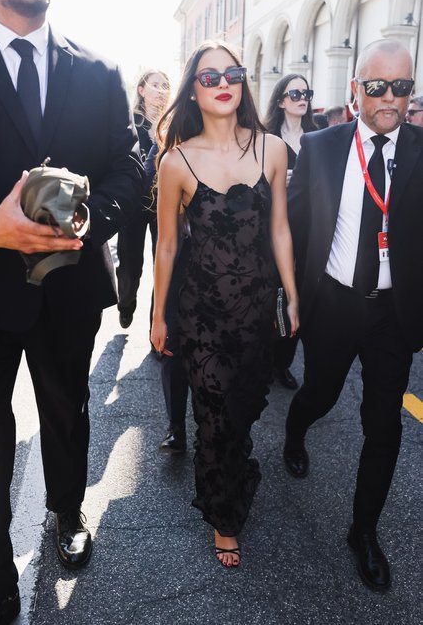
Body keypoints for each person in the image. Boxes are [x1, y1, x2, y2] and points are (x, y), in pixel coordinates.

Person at [0, 0, 142, 623]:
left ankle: (66, 509)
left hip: (73, 284)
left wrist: (86, 221)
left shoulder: (101, 70)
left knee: (66, 408)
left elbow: (130, 163)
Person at [151, 40, 298, 567]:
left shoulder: (273, 149)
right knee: (211, 416)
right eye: (208, 77)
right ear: (193, 88)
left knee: (239, 414)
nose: (222, 84)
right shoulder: (176, 162)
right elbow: (168, 245)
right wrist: (157, 314)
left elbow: (280, 229)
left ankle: (235, 472)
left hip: (256, 309)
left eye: (231, 74)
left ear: (242, 82)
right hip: (202, 315)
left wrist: (292, 295)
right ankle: (224, 516)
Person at [283, 39, 422, 591]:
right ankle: (295, 432)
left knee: (383, 425)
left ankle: (363, 531)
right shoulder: (320, 147)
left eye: (402, 87)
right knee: (320, 394)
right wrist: (285, 295)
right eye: (377, 86)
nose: (389, 98)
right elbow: (290, 230)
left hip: (394, 312)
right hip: (334, 304)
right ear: (355, 90)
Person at [264, 73, 317, 390]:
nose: (302, 98)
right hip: (270, 228)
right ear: (281, 100)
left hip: (308, 230)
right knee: (270, 294)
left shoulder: (318, 136)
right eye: (295, 93)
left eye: (306, 93)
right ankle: (261, 356)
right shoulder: (265, 137)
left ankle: (281, 362)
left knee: (297, 297)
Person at [144, 142, 190, 453]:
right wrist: (158, 315)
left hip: (227, 271)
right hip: (181, 265)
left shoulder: (239, 147)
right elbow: (165, 243)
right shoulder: (168, 153)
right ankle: (176, 427)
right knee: (174, 351)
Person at [116, 69, 170, 331]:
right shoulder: (130, 123)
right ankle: (125, 304)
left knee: (163, 265)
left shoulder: (173, 125)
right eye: (156, 85)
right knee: (130, 265)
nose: (162, 90)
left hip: (166, 204)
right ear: (141, 90)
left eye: (166, 85)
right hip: (134, 205)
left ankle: (155, 329)